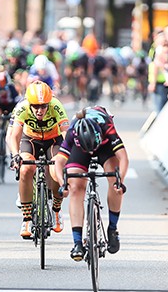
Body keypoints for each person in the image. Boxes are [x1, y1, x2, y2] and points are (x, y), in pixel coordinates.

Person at [53, 106, 128, 260]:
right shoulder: (73, 132)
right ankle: (77, 243)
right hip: (80, 148)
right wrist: (63, 184)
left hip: (104, 147)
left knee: (114, 179)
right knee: (75, 188)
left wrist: (120, 181)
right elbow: (59, 162)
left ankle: (112, 228)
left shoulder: (107, 127)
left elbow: (124, 158)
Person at [7, 81, 69, 238]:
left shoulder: (56, 105)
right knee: (26, 169)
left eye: (43, 106)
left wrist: (68, 154)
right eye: (35, 106)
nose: (40, 110)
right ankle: (27, 218)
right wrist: (15, 155)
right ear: (29, 103)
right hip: (30, 140)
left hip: (53, 140)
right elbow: (14, 135)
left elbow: (66, 133)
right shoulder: (22, 107)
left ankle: (56, 210)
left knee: (56, 170)